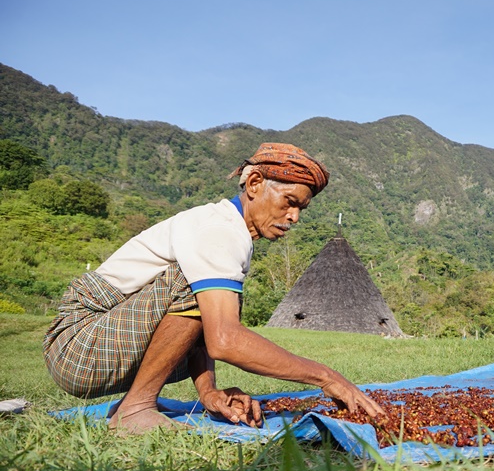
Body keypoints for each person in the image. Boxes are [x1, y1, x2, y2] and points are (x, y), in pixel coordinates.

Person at [43, 142, 385, 433]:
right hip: (79, 345)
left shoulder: (231, 232)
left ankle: (137, 403)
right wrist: (327, 377)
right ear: (253, 183)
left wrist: (208, 392)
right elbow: (224, 340)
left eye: (301, 208)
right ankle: (134, 410)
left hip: (105, 341)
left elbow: (199, 326)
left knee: (212, 299)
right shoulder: (218, 231)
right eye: (289, 202)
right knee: (194, 289)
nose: (294, 217)